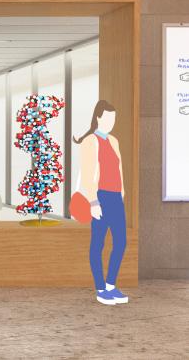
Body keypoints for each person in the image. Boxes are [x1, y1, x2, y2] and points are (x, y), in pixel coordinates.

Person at [76, 100, 129, 306]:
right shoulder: (90, 141)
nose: (111, 122)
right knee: (98, 243)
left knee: (120, 242)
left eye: (113, 118)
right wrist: (93, 201)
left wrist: (122, 193)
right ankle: (100, 288)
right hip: (100, 196)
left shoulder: (114, 141)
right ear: (98, 117)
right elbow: (89, 172)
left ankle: (110, 285)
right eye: (107, 118)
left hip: (116, 197)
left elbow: (119, 169)